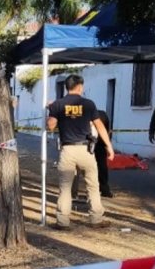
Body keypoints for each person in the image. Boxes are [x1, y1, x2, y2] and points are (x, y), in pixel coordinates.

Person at [47, 75, 115, 229]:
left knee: (65, 187)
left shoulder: (58, 104)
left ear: (66, 87)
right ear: (80, 87)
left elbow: (50, 126)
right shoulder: (89, 104)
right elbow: (100, 127)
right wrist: (109, 146)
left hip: (67, 150)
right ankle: (96, 219)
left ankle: (63, 222)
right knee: (93, 185)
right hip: (86, 150)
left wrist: (50, 111)